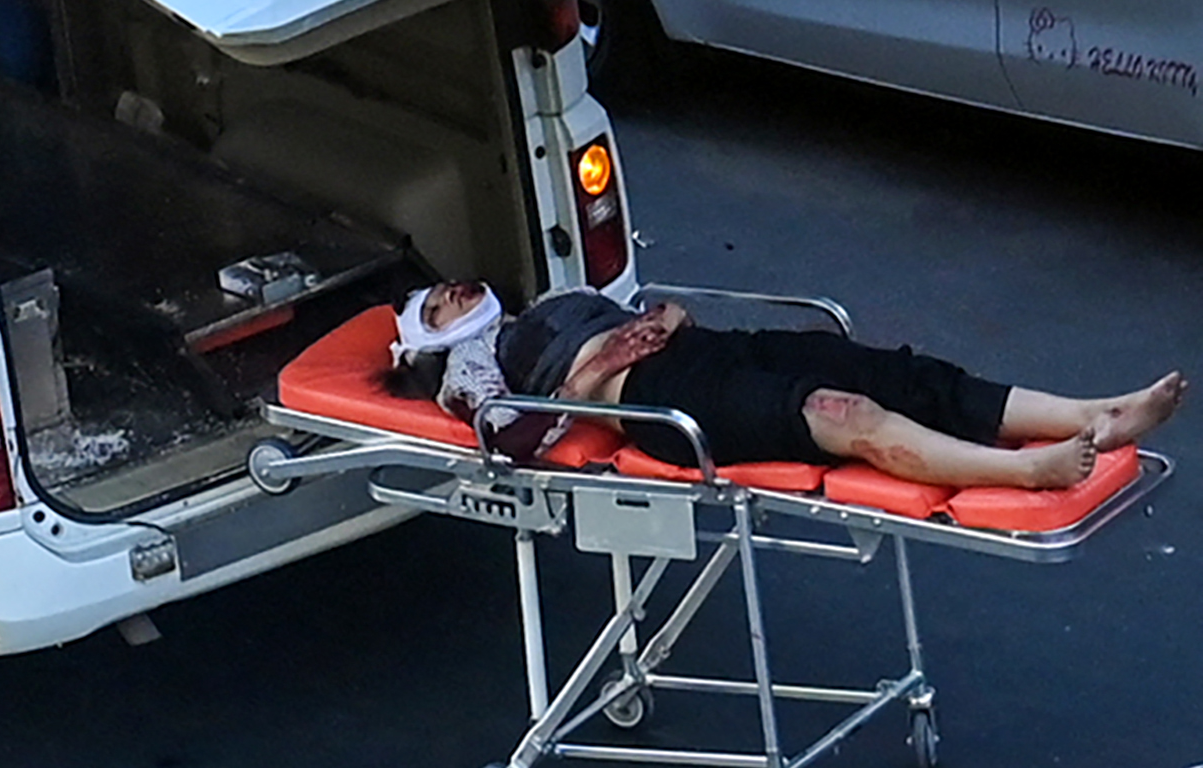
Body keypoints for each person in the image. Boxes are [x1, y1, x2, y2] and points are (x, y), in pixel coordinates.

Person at [390, 280, 1186, 488]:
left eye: (448, 288)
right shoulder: (471, 369)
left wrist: (663, 315)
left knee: (894, 370)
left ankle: (1096, 414)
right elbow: (513, 435)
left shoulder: (546, 300)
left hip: (699, 351)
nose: (453, 292)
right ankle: (1026, 469)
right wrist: (604, 362)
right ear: (430, 336)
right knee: (841, 414)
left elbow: (657, 308)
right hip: (659, 404)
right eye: (436, 305)